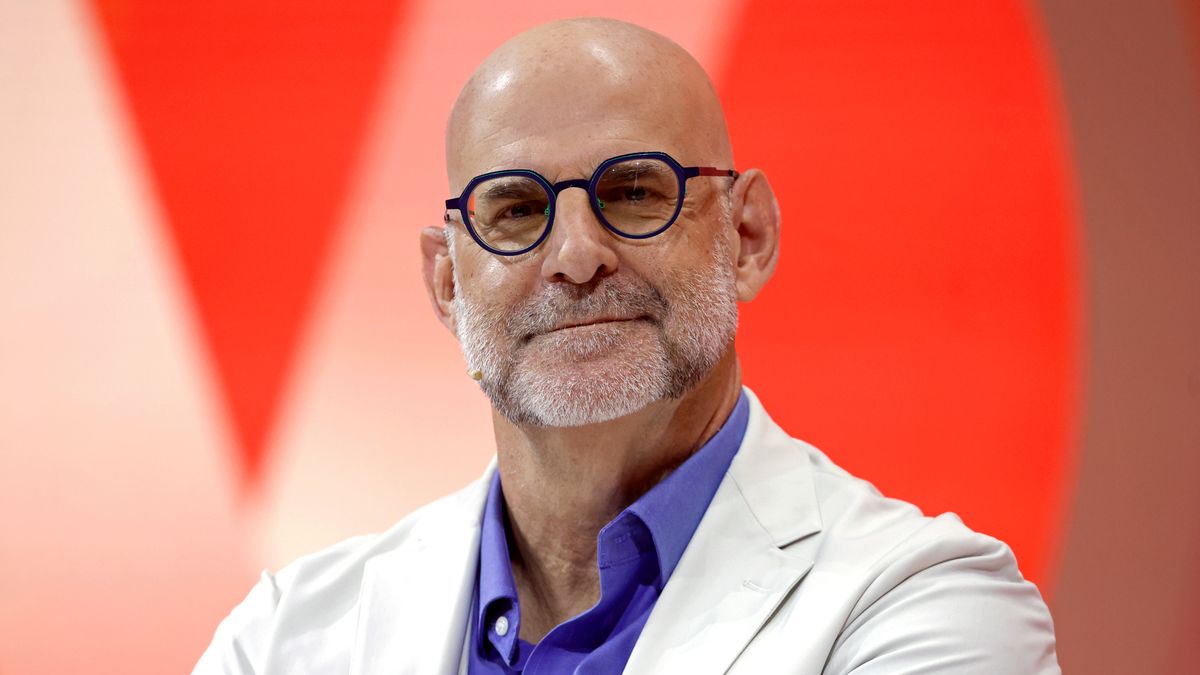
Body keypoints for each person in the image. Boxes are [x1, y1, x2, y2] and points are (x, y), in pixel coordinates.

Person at [195, 17, 1059, 674]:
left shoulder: (924, 605)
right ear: (448, 284)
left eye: (636, 191)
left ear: (748, 235)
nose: (575, 257)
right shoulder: (288, 636)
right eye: (517, 209)